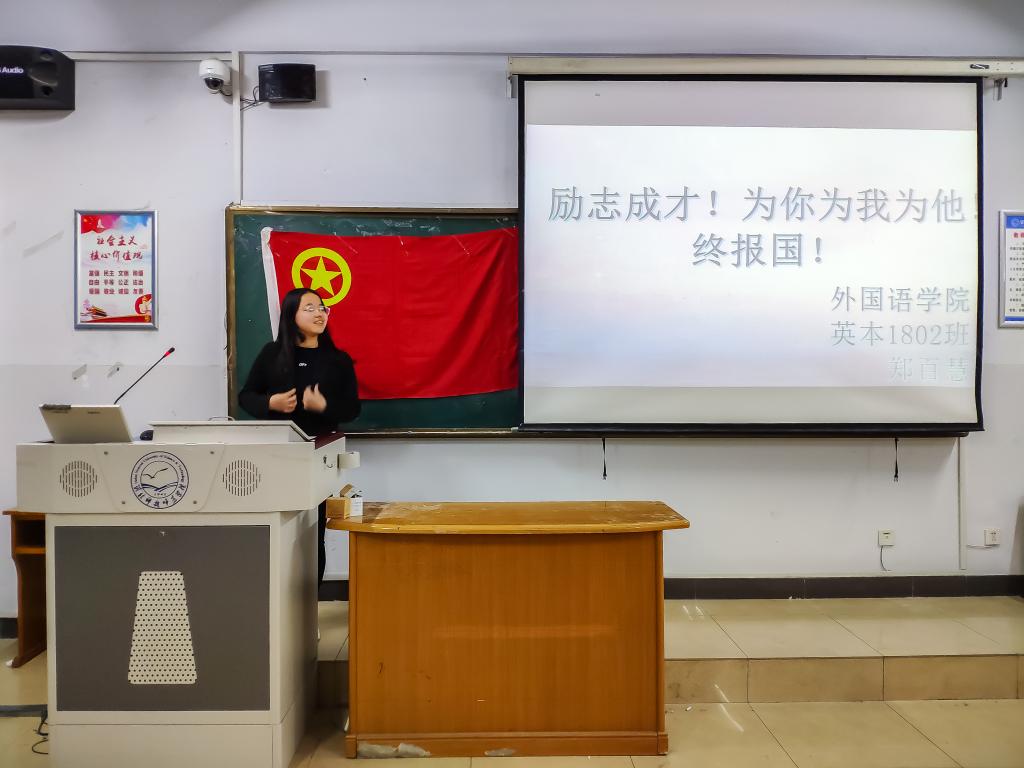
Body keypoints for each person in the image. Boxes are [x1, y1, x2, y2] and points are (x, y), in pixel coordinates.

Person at [239, 287, 360, 591]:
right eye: (310, 308)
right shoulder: (272, 354)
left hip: (319, 457)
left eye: (322, 308)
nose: (320, 313)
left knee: (313, 533)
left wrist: (325, 406)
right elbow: (246, 396)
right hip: (278, 456)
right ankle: (274, 599)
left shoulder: (338, 360)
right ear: (291, 315)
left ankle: (309, 604)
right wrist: (270, 403)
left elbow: (353, 409)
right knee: (277, 529)